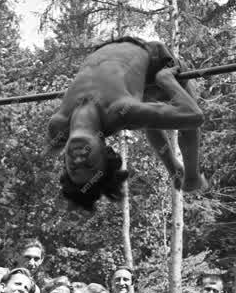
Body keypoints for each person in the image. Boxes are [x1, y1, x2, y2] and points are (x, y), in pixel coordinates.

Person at [48, 37, 206, 209]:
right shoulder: (120, 111)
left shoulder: (58, 126)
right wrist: (165, 80)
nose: (78, 159)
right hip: (155, 60)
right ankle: (191, 177)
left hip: (110, 53)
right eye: (89, 164)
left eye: (74, 167)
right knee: (166, 115)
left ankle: (174, 170)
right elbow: (194, 116)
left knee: (146, 116)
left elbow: (49, 150)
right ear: (105, 153)